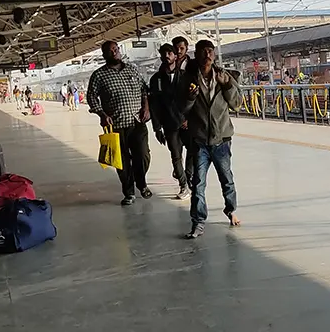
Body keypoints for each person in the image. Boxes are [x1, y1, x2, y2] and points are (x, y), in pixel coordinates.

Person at [179, 39, 242, 239]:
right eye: (203, 52)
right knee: (198, 184)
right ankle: (198, 222)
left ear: (214, 55)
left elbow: (237, 104)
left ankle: (231, 210)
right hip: (199, 141)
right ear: (196, 55)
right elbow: (181, 109)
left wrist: (227, 86)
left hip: (222, 139)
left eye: (210, 51)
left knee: (227, 179)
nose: (208, 55)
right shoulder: (187, 79)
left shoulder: (225, 77)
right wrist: (190, 98)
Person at [87, 40, 152, 205]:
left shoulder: (132, 69)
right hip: (115, 125)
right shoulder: (99, 75)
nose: (114, 52)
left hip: (137, 121)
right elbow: (91, 96)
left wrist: (146, 108)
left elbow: (144, 89)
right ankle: (129, 192)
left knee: (143, 155)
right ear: (104, 55)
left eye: (116, 49)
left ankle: (141, 182)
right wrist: (101, 113)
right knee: (122, 162)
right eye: (110, 51)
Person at [149, 43, 191, 200]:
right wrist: (156, 128)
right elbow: (154, 105)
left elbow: (192, 99)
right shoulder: (156, 80)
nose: (167, 55)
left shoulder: (186, 76)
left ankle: (188, 176)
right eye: (164, 53)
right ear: (161, 56)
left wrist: (189, 119)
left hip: (187, 123)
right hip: (168, 124)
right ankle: (183, 185)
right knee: (176, 155)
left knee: (193, 152)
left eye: (170, 53)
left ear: (175, 56)